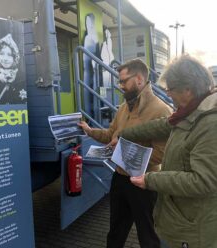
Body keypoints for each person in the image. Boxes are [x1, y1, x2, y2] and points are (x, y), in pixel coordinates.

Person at [120, 55, 217, 248]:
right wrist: (124, 134)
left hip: (194, 229)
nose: (168, 94)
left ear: (187, 90)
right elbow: (161, 126)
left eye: (170, 89)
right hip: (182, 218)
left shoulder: (210, 124)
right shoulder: (189, 112)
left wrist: (150, 180)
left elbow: (203, 181)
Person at [78, 58, 172, 248]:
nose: (120, 86)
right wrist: (89, 130)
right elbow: (110, 135)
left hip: (144, 183)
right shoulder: (122, 108)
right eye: (119, 82)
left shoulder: (161, 110)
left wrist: (122, 151)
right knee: (115, 232)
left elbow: (161, 155)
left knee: (148, 235)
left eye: (123, 81)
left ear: (139, 79)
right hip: (120, 179)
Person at [83, 13, 99, 118]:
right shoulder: (87, 37)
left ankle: (93, 118)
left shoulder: (94, 38)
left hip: (94, 71)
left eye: (90, 22)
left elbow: (97, 55)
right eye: (86, 23)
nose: (88, 25)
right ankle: (88, 118)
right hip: (86, 71)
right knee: (87, 95)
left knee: (94, 95)